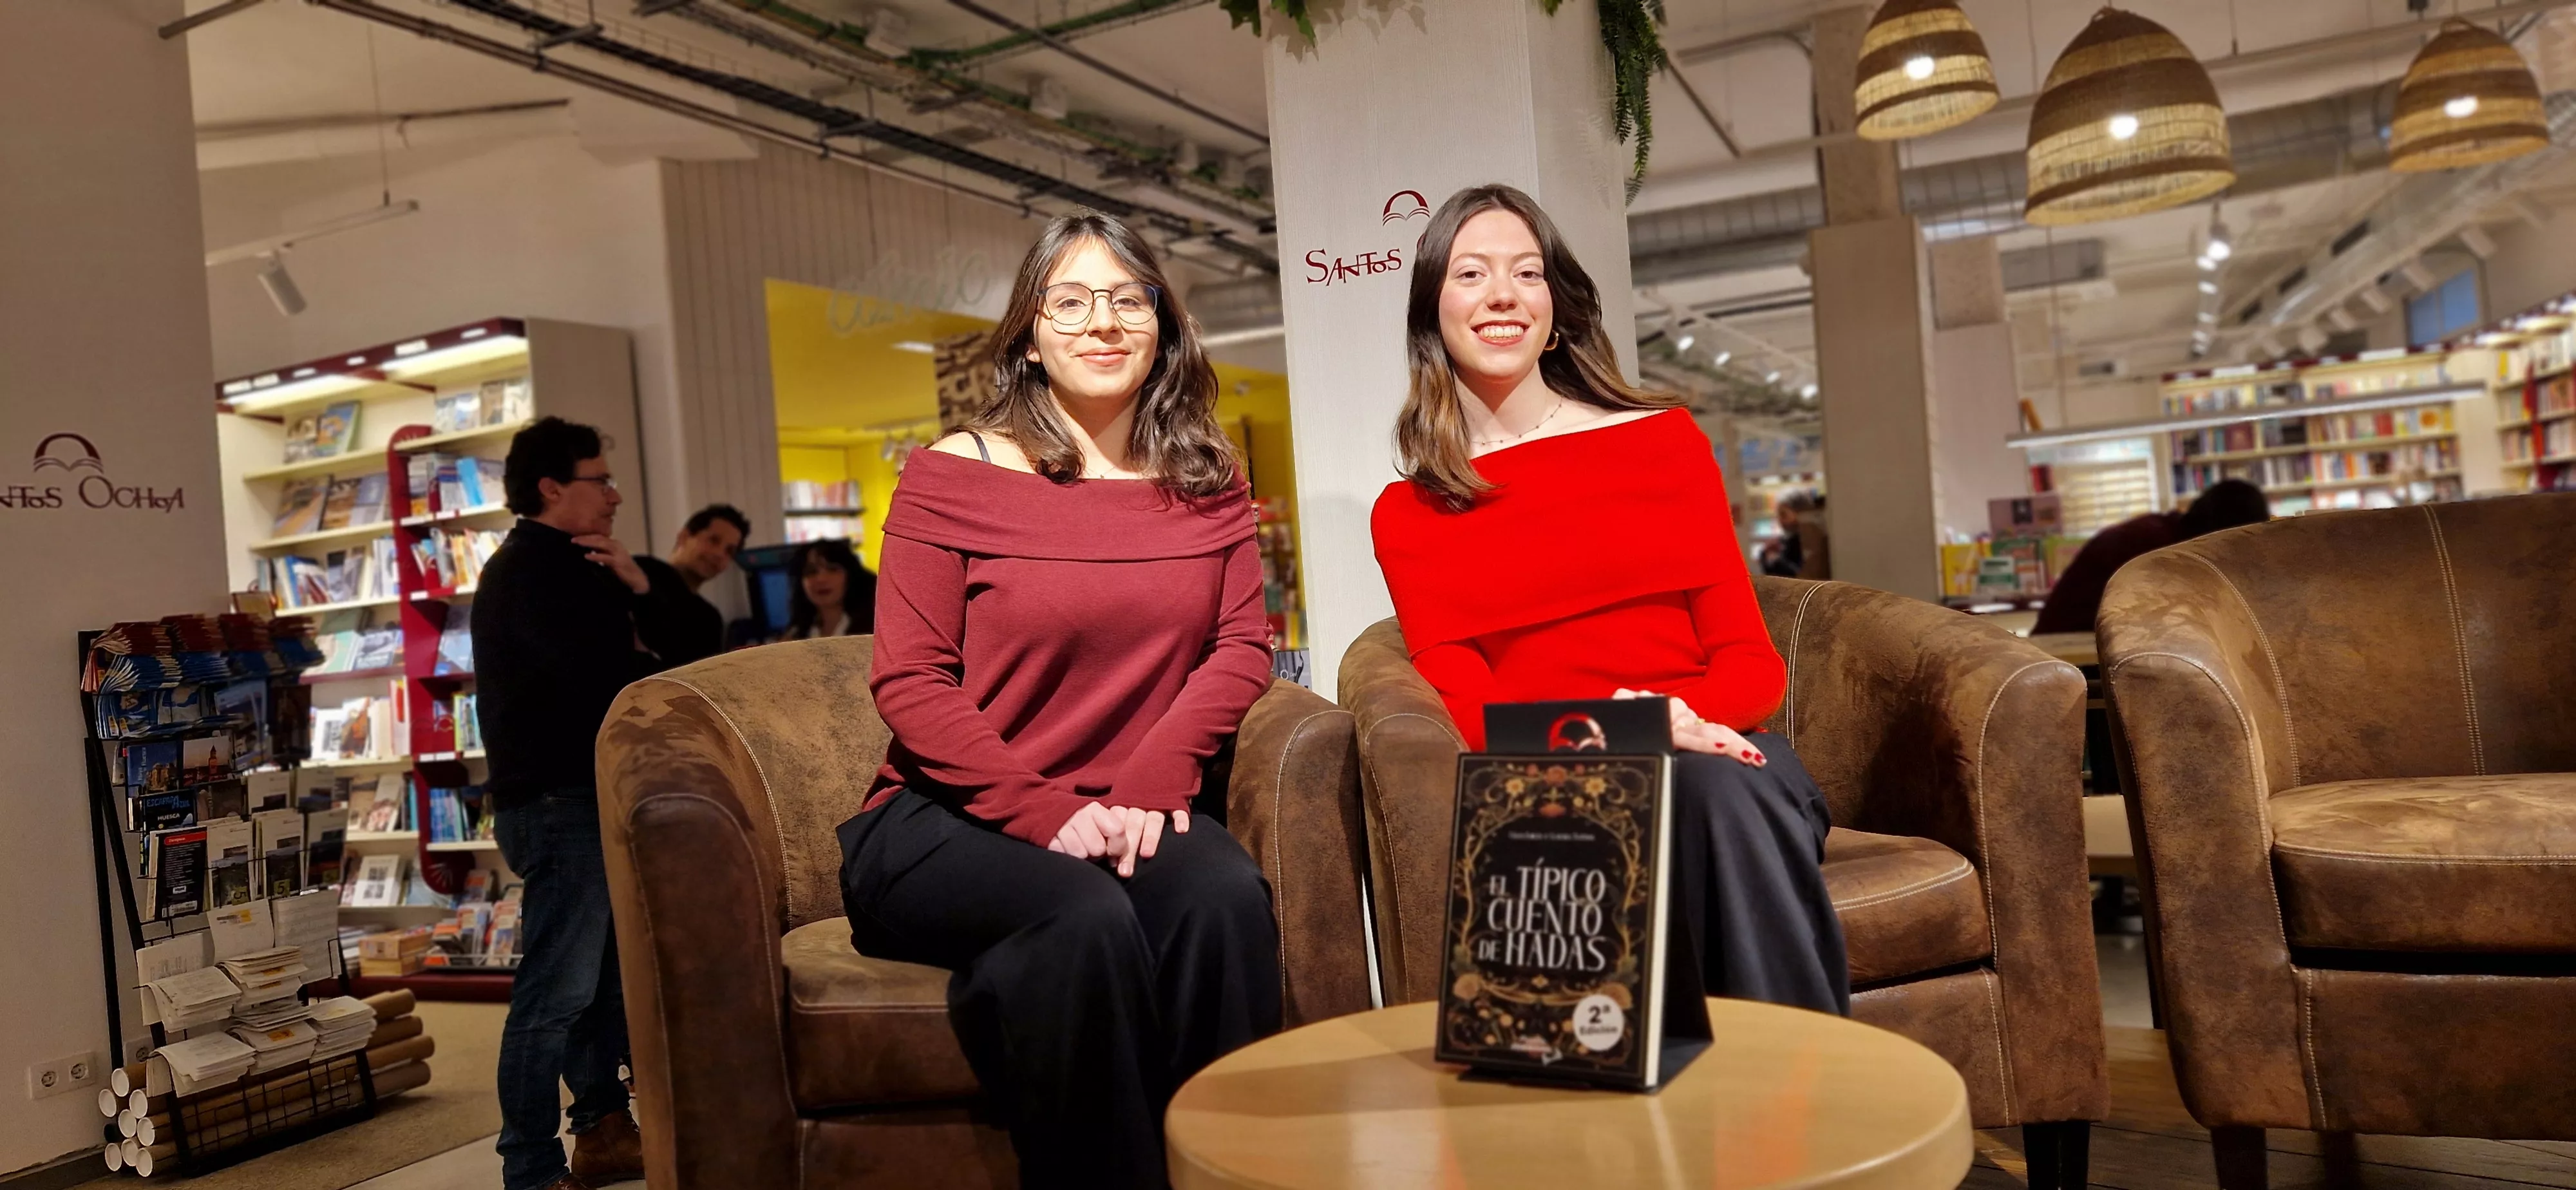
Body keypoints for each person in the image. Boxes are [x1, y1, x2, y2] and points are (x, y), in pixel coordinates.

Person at [836, 211, 1279, 1189]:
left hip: (1129, 797)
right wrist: (1046, 815)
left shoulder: (1208, 480)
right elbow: (910, 679)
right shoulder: (954, 472)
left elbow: (1244, 644)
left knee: (1225, 898)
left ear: (1162, 323)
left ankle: (1228, 1172)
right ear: (1030, 333)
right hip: (946, 816)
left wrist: (1156, 776)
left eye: (1129, 299)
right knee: (1082, 919)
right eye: (1070, 301)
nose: (1102, 323)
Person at [1370, 184, 1850, 1015]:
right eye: (1471, 274)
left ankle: (1802, 1110)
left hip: (1720, 753)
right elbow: (1471, 712)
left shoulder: (1664, 445)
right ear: (1432, 315)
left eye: (1525, 272)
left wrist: (1675, 722)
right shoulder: (1412, 513)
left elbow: (1752, 665)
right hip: (1562, 777)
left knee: (1712, 796)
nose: (1501, 295)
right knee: (1661, 812)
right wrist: (1621, 734)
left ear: (1553, 305)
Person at [473, 417, 674, 1190]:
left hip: (580, 798)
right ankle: (529, 1166)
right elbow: (611, 684)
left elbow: (678, 652)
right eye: (600, 479)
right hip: (560, 802)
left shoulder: (574, 565)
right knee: (554, 995)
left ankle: (603, 1133)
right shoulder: (532, 573)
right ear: (553, 488)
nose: (615, 495)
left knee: (599, 989)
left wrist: (640, 589)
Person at [2031, 478, 2269, 635]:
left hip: (2072, 660)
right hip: (2069, 666)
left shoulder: (2160, 534)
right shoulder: (2155, 550)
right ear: (2222, 535)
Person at [634, 503, 749, 668]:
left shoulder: (709, 620)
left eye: (729, 551)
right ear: (684, 536)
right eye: (713, 540)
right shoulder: (642, 572)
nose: (719, 554)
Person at [781, 538, 876, 639]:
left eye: (832, 569)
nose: (821, 579)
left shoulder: (875, 628)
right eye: (811, 572)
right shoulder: (795, 635)